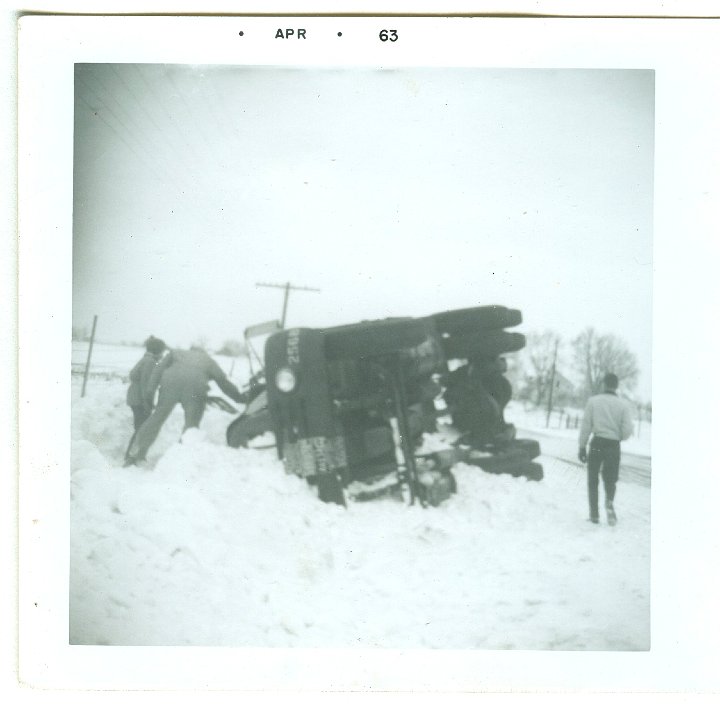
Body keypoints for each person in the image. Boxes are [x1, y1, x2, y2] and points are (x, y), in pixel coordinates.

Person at [124, 345, 245, 466]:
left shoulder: (175, 352)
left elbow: (158, 370)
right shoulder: (208, 360)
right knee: (191, 424)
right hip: (195, 387)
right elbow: (222, 381)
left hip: (170, 383)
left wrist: (150, 393)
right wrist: (238, 397)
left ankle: (134, 455)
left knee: (157, 418)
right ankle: (182, 459)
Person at [578, 372, 634, 525]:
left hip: (597, 444)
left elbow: (586, 426)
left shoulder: (593, 401)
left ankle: (594, 514)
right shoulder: (623, 405)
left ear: (604, 384)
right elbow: (628, 429)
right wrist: (619, 436)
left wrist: (582, 446)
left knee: (593, 477)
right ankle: (609, 503)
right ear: (616, 386)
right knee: (611, 478)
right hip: (613, 445)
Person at [126, 335, 167, 431]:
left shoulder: (146, 359)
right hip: (140, 400)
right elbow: (146, 385)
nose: (163, 354)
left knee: (140, 428)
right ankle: (135, 446)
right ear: (157, 351)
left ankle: (135, 445)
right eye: (162, 351)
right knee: (141, 429)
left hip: (135, 398)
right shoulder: (150, 362)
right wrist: (147, 404)